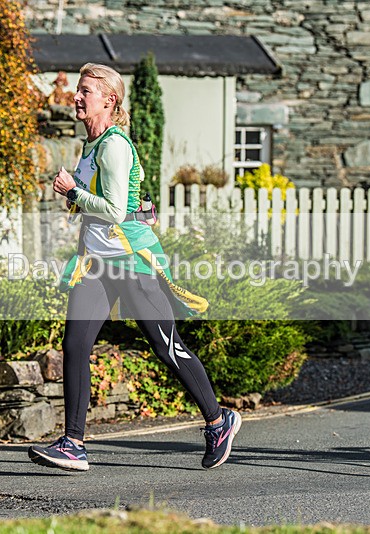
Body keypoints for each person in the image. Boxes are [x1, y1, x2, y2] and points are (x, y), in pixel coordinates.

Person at [28, 63, 241, 472]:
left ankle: (218, 421)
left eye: (85, 91)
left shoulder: (114, 146)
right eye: (78, 89)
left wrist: (74, 190)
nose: (76, 96)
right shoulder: (90, 146)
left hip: (131, 262)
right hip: (95, 264)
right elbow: (115, 204)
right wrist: (74, 198)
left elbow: (113, 210)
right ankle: (73, 443)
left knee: (167, 348)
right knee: (75, 346)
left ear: (109, 100)